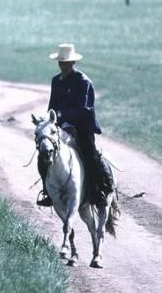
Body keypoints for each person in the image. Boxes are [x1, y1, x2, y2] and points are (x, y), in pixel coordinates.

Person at [37, 43, 114, 207]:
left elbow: (84, 109)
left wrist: (63, 117)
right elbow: (52, 106)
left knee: (90, 155)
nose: (63, 65)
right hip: (61, 128)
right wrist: (54, 120)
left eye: (66, 62)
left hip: (82, 127)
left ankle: (101, 189)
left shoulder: (83, 82)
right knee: (43, 155)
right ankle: (48, 191)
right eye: (61, 62)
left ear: (73, 63)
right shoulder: (55, 81)